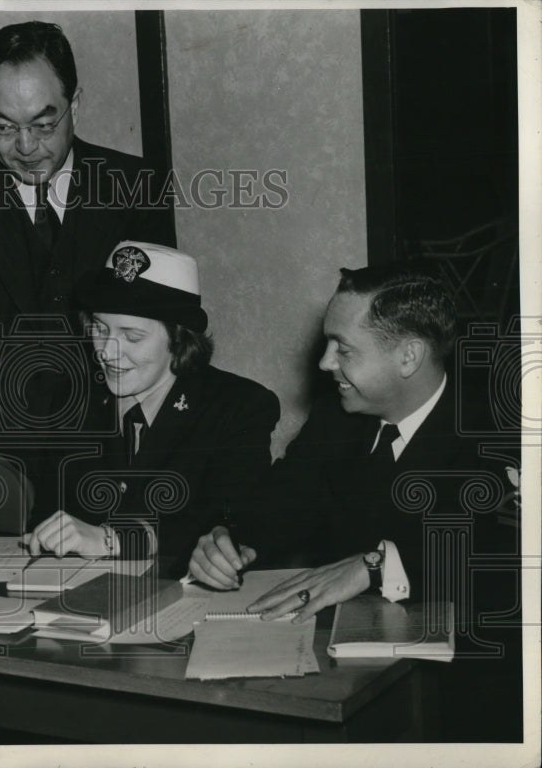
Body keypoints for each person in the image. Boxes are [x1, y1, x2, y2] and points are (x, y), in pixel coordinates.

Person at [187, 262, 521, 740]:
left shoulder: (497, 428)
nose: (324, 363)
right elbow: (279, 502)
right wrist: (232, 539)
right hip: (343, 683)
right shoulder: (336, 419)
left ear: (408, 356)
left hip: (467, 704)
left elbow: (493, 558)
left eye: (342, 348)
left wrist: (377, 563)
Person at [0, 21, 176, 522]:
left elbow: (162, 327)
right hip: (1, 454)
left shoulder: (137, 186)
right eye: (3, 126)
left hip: (114, 445)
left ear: (75, 105)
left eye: (43, 123)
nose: (26, 146)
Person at [22, 241, 279, 573]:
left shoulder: (238, 407)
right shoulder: (72, 399)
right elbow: (48, 516)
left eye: (132, 337)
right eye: (100, 330)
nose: (107, 353)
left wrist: (112, 540)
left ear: (178, 339)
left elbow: (227, 527)